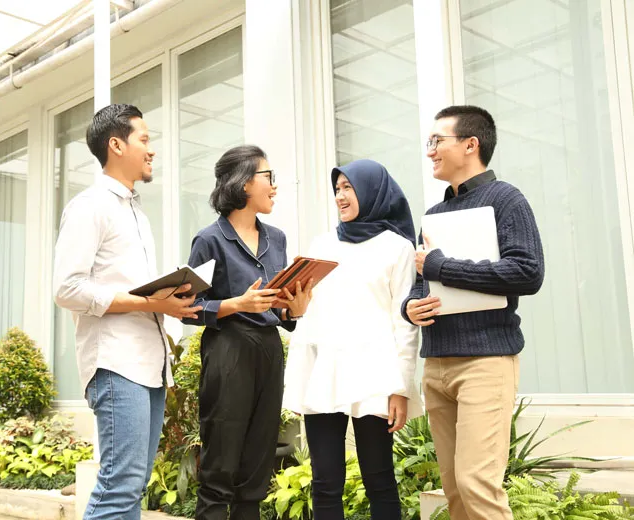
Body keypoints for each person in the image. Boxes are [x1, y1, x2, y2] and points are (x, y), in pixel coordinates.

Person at [53, 103, 202, 520]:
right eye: (144, 139)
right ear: (116, 145)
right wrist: (152, 302)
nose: (151, 150)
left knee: (132, 488)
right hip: (116, 364)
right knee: (119, 487)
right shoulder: (90, 206)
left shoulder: (134, 210)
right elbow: (67, 288)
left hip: (148, 364)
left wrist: (165, 298)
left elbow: (127, 288)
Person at [402, 105, 545, 520]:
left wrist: (441, 266)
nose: (429, 151)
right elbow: (420, 281)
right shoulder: (433, 214)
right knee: (454, 490)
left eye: (436, 141)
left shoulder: (506, 199)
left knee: (476, 484)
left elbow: (527, 271)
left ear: (470, 144)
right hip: (437, 364)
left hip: (486, 361)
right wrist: (410, 306)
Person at [283, 159, 420, 520]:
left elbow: (404, 322)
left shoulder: (397, 248)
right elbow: (308, 316)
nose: (340, 196)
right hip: (325, 373)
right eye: (337, 189)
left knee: (379, 479)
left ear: (372, 191)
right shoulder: (322, 245)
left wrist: (401, 388)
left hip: (376, 375)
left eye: (348, 188)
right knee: (325, 481)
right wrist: (300, 383)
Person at [182, 145, 312, 520]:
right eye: (268, 177)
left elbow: (280, 305)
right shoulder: (210, 240)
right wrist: (235, 304)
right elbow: (187, 308)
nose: (275, 186)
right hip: (228, 350)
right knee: (221, 459)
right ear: (242, 183)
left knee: (258, 463)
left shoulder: (278, 238)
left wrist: (294, 310)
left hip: (270, 351)